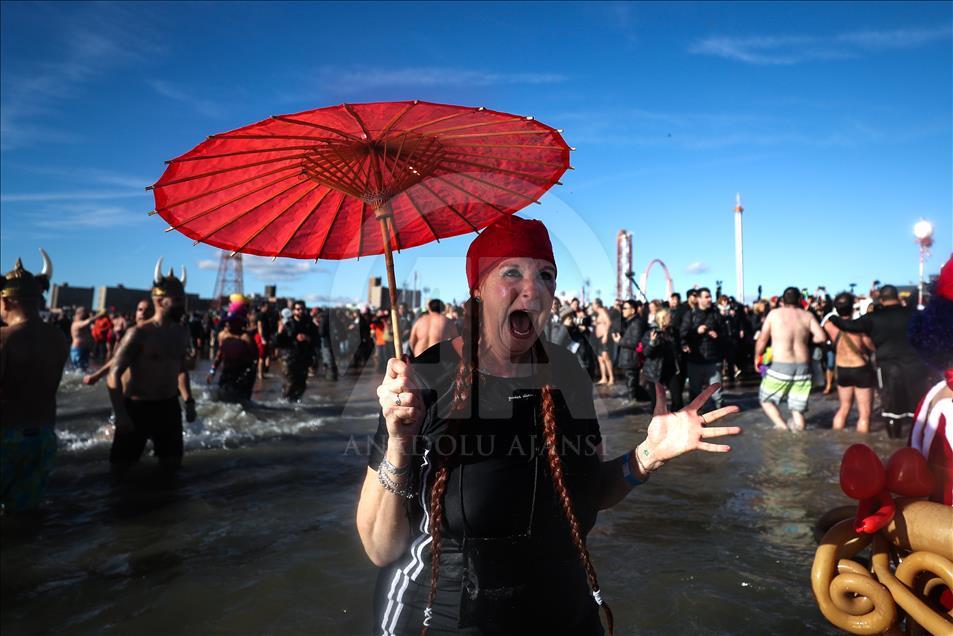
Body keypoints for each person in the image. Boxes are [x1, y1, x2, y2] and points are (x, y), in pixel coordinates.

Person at [356, 215, 741, 635]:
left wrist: (648, 455)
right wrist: (398, 439)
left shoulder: (567, 372)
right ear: (477, 288)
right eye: (511, 272)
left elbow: (590, 495)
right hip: (443, 616)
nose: (534, 289)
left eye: (546, 275)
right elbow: (380, 547)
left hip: (563, 611)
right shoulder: (425, 378)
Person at [107, 260, 195, 473]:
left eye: (182, 300)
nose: (182, 305)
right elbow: (113, 374)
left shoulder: (181, 333)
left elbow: (181, 370)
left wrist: (189, 401)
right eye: (177, 300)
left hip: (168, 407)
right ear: (159, 300)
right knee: (121, 469)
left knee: (172, 466)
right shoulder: (139, 333)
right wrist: (121, 414)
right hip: (137, 408)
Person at [1, 250, 68, 512]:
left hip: (5, 438)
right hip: (43, 439)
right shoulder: (58, 338)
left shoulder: (4, 338)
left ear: (6, 303)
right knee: (24, 514)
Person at [831, 284, 935, 439]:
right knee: (917, 409)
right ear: (898, 297)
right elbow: (931, 336)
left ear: (881, 299)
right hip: (916, 367)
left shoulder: (874, 317)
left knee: (891, 410)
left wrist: (832, 317)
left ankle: (894, 446)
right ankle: (917, 445)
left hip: (888, 368)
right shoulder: (915, 314)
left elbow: (849, 325)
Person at [754, 287, 827, 432]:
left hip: (781, 364)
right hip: (803, 366)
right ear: (800, 299)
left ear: (782, 300)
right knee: (797, 408)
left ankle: (781, 426)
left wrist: (757, 356)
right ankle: (799, 436)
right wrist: (805, 339)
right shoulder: (807, 316)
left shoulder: (774, 315)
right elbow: (822, 337)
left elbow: (762, 338)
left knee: (766, 399)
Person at [822, 293, 875, 432]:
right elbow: (870, 346)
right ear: (852, 307)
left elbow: (822, 338)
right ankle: (863, 448)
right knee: (864, 414)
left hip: (842, 368)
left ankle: (838, 440)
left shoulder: (829, 326)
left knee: (844, 408)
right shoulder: (859, 327)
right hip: (860, 368)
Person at [679, 287, 727, 410]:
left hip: (713, 358)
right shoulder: (690, 315)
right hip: (695, 358)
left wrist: (717, 335)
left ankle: (722, 420)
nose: (710, 299)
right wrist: (696, 331)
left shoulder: (716, 314)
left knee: (717, 394)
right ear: (699, 299)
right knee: (695, 393)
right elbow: (683, 334)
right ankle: (695, 420)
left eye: (710, 296)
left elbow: (726, 334)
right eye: (706, 297)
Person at [274, 300, 319, 401]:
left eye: (302, 309)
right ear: (293, 311)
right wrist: (279, 332)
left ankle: (296, 404)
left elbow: (317, 340)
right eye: (298, 309)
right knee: (290, 382)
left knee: (301, 384)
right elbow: (277, 342)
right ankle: (285, 403)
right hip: (288, 357)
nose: (300, 311)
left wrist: (307, 338)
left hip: (304, 357)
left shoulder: (309, 324)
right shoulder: (287, 324)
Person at [207, 314, 257, 403]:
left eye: (231, 322)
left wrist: (251, 375)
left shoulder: (245, 337)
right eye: (227, 322)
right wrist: (212, 371)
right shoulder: (222, 335)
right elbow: (219, 355)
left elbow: (254, 356)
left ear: (239, 324)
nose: (228, 324)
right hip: (227, 371)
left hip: (242, 373)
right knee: (222, 396)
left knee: (242, 400)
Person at [642, 308, 679, 414]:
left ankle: (676, 419)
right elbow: (646, 353)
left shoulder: (672, 331)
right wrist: (652, 342)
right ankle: (656, 422)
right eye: (668, 316)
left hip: (671, 369)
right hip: (654, 371)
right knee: (656, 401)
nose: (671, 318)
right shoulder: (651, 332)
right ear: (662, 319)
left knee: (677, 399)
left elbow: (677, 348)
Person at [550, 304, 598, 378]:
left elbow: (586, 343)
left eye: (571, 315)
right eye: (568, 316)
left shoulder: (576, 328)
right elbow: (557, 344)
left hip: (583, 365)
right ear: (563, 318)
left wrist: (584, 330)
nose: (571, 318)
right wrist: (566, 327)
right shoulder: (557, 327)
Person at [612, 298, 645, 403]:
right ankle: (635, 399)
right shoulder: (629, 321)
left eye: (625, 308)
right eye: (622, 308)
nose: (623, 310)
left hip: (632, 357)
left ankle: (634, 403)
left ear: (633, 310)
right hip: (628, 356)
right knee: (630, 381)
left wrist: (619, 341)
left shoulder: (637, 323)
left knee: (631, 382)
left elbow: (635, 342)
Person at [592, 299, 614, 386]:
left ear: (597, 305)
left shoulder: (602, 311)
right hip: (598, 339)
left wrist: (605, 335)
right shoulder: (598, 313)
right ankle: (604, 377)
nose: (592, 306)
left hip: (603, 338)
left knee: (606, 358)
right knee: (600, 359)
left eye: (593, 304)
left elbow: (609, 323)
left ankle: (611, 377)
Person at [69, 306, 98, 371]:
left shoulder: (84, 323)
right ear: (78, 314)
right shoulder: (76, 323)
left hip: (85, 349)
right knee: (79, 369)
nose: (87, 313)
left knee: (84, 369)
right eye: (85, 312)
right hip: (78, 350)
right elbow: (87, 322)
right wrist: (98, 315)